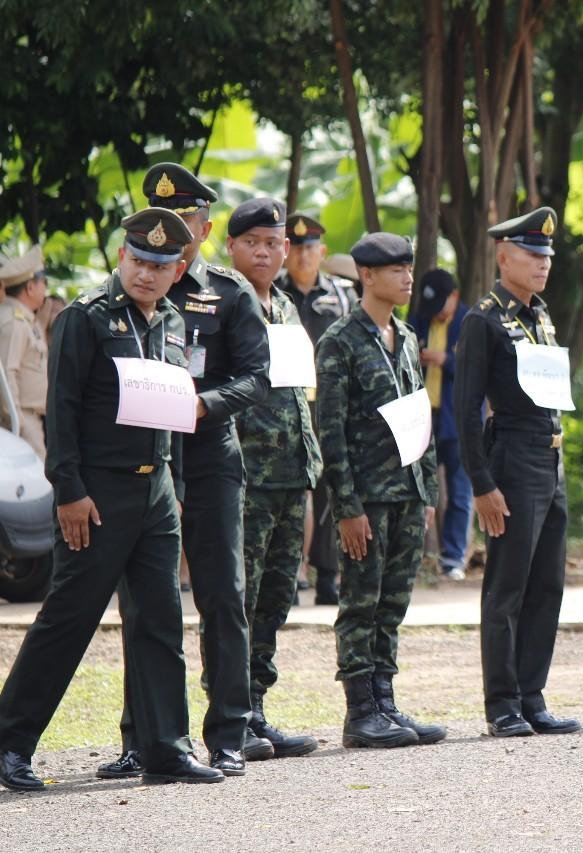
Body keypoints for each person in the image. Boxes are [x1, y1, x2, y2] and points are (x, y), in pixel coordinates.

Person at [0, 209, 223, 791]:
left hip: (157, 491)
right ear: (122, 258)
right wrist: (69, 491)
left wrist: (169, 490)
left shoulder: (173, 322)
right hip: (98, 493)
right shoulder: (86, 318)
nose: (147, 274)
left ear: (178, 269)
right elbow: (63, 409)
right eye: (139, 261)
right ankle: (10, 743)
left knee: (159, 620)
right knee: (69, 620)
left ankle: (165, 748)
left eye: (160, 265)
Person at [100, 163, 272, 780]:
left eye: (183, 219)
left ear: (202, 225)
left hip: (206, 460)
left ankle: (229, 732)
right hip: (142, 466)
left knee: (223, 595)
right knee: (145, 603)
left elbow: (257, 377)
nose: (170, 229)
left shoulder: (228, 293)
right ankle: (140, 738)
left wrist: (202, 404)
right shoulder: (119, 295)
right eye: (159, 218)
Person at [454, 207, 580, 738]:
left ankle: (532, 694)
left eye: (547, 257)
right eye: (531, 255)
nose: (542, 265)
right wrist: (482, 484)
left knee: (547, 583)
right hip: (511, 457)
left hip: (550, 459)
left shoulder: (540, 316)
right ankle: (502, 702)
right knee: (507, 586)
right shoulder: (484, 319)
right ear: (504, 257)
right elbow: (465, 409)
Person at [316, 232, 445, 749]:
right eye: (396, 270)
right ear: (366, 276)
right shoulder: (340, 342)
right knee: (360, 602)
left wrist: (427, 490)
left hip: (406, 492)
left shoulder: (408, 337)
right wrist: (346, 507)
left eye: (409, 268)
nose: (407, 278)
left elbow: (420, 415)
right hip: (366, 497)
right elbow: (332, 431)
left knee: (393, 600)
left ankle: (385, 700)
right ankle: (360, 710)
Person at [226, 198, 322, 760]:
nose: (264, 252)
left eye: (273, 243)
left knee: (276, 597)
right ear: (233, 246)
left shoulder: (284, 305)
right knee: (238, 597)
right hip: (245, 476)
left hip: (291, 474)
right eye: (252, 243)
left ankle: (256, 707)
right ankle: (230, 714)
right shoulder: (220, 303)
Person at [281, 212, 355, 606]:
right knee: (292, 491)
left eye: (310, 249)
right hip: (287, 405)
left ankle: (328, 575)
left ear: (322, 252)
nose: (303, 257)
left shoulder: (342, 296)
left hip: (329, 405)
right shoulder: (274, 293)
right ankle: (291, 574)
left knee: (332, 489)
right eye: (295, 249)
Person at [411, 269, 474, 582]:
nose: (435, 315)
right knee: (418, 485)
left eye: (441, 307)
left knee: (460, 488)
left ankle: (453, 556)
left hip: (456, 416)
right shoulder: (418, 320)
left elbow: (476, 369)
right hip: (424, 416)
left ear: (454, 297)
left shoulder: (469, 322)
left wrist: (444, 359)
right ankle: (415, 553)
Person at [0, 245, 49, 458]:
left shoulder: (25, 319)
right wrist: (16, 421)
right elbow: (6, 373)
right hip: (22, 419)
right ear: (30, 287)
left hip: (28, 417)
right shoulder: (14, 322)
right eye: (43, 283)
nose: (45, 289)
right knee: (38, 483)